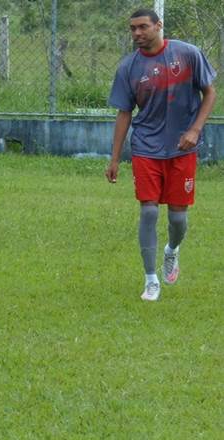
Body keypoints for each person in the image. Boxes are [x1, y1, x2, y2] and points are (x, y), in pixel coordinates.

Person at [106, 9, 216, 301]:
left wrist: (194, 129)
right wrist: (115, 158)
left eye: (143, 27)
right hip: (145, 147)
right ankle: (150, 279)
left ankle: (171, 250)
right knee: (150, 210)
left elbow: (210, 93)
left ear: (158, 26)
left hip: (182, 148)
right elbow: (124, 113)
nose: (137, 33)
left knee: (178, 219)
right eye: (132, 29)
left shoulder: (187, 54)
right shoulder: (128, 67)